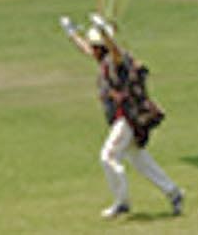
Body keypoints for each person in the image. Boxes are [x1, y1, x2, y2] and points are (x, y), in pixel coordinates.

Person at [59, 13, 184, 219]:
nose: (92, 49)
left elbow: (115, 50)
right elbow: (86, 49)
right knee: (139, 159)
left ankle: (122, 202)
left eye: (96, 45)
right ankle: (174, 193)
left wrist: (103, 33)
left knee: (108, 155)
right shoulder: (104, 59)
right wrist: (72, 32)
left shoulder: (119, 59)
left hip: (129, 116)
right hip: (123, 117)